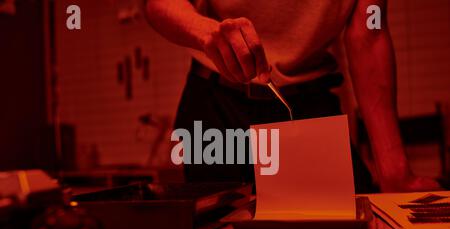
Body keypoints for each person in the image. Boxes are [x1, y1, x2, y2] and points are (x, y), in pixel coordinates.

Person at [144, 0, 440, 193]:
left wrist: (395, 172)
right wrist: (209, 33)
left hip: (307, 108)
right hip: (216, 110)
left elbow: (370, 30)